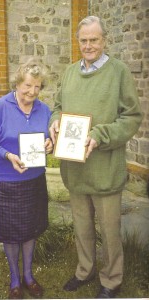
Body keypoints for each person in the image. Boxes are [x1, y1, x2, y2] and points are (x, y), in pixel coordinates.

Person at [49, 16, 142, 298]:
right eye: (84, 40)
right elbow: (57, 106)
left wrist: (99, 136)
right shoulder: (69, 72)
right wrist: (54, 122)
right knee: (82, 227)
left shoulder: (119, 71)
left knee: (110, 232)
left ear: (104, 40)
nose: (88, 45)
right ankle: (85, 270)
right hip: (75, 169)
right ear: (78, 42)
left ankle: (112, 280)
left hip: (105, 169)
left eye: (94, 40)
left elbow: (132, 117)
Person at [0, 58, 53, 299]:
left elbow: (50, 139)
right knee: (11, 233)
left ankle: (29, 276)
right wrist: (8, 155)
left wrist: (50, 144)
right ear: (18, 83)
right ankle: (14, 279)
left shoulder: (44, 110)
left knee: (30, 230)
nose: (32, 91)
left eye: (38, 87)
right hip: (6, 180)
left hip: (34, 179)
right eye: (28, 86)